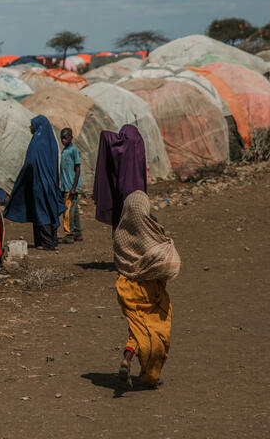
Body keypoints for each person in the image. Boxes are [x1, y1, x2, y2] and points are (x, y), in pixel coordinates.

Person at [113, 190, 181, 389]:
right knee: (158, 329)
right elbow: (165, 255)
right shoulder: (151, 230)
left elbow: (119, 261)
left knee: (138, 327)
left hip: (126, 287)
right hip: (149, 289)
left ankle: (128, 357)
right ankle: (152, 375)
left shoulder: (119, 234)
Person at [3, 115, 65, 251]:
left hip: (39, 183)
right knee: (49, 209)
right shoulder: (51, 142)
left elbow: (30, 163)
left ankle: (47, 243)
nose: (30, 127)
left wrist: (22, 178)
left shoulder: (36, 142)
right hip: (51, 183)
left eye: (32, 125)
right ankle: (48, 241)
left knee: (41, 212)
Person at [93, 124, 148, 228]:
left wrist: (105, 136)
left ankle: (121, 241)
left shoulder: (124, 145)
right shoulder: (138, 144)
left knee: (121, 221)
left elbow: (108, 139)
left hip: (123, 189)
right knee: (137, 222)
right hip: (140, 191)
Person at [58, 127, 82, 243]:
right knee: (74, 210)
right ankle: (77, 232)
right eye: (61, 138)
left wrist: (74, 186)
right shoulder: (64, 150)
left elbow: (78, 169)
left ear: (71, 138)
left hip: (70, 187)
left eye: (65, 138)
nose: (63, 140)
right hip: (66, 186)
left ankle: (69, 234)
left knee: (67, 211)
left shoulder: (73, 150)